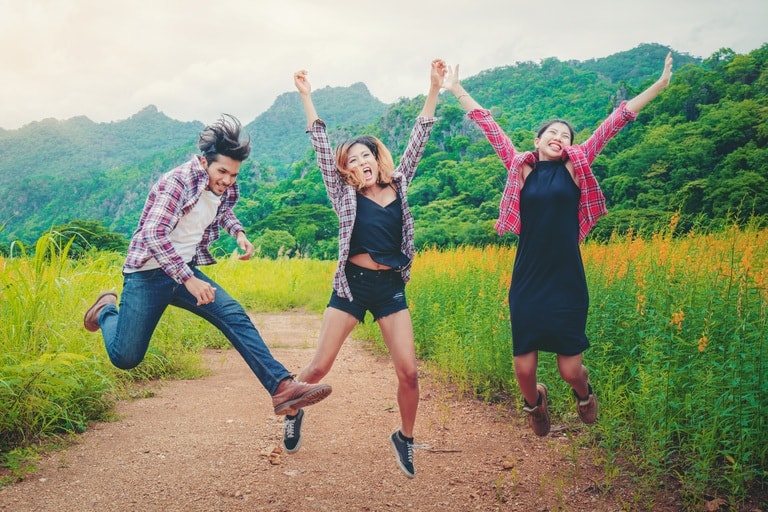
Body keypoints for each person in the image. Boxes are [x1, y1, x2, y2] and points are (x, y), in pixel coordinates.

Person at [442, 53, 673, 436]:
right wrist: (456, 89)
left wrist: (659, 85)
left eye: (566, 135)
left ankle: (585, 394)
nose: (559, 138)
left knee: (570, 370)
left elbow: (615, 122)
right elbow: (490, 128)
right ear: (537, 140)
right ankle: (535, 405)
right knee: (524, 370)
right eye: (552, 133)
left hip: (566, 279)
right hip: (528, 278)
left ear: (571, 145)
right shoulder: (523, 168)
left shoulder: (576, 167)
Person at [83, 114, 332, 417]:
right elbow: (152, 233)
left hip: (182, 272)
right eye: (222, 171)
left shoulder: (223, 187)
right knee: (126, 356)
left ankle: (282, 387)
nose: (227, 180)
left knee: (233, 314)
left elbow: (222, 210)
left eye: (234, 175)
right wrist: (188, 279)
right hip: (147, 276)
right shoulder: (176, 182)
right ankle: (107, 310)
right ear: (205, 163)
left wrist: (239, 233)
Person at [283, 59, 446, 478]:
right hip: (352, 287)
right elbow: (320, 145)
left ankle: (405, 439)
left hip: (390, 287)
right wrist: (306, 95)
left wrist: (433, 87)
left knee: (409, 373)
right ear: (347, 169)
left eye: (366, 154)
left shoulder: (400, 183)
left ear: (377, 158)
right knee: (318, 368)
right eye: (353, 158)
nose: (362, 160)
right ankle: (293, 405)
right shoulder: (342, 195)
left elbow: (420, 135)